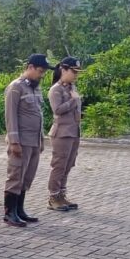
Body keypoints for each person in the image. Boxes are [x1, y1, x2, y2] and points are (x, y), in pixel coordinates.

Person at [3, 54, 51, 226]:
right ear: (30, 67)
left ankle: (20, 210)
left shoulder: (35, 88)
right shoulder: (16, 87)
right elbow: (10, 117)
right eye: (40, 71)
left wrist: (41, 140)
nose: (42, 75)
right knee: (15, 176)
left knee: (26, 177)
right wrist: (14, 141)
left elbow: (39, 115)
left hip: (33, 141)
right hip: (21, 141)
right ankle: (9, 213)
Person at [47, 57, 83, 212]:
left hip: (73, 131)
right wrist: (73, 101)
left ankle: (62, 194)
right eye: (73, 72)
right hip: (62, 133)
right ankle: (53, 197)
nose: (76, 75)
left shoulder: (71, 88)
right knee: (59, 165)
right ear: (64, 70)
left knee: (68, 165)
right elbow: (57, 109)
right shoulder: (56, 89)